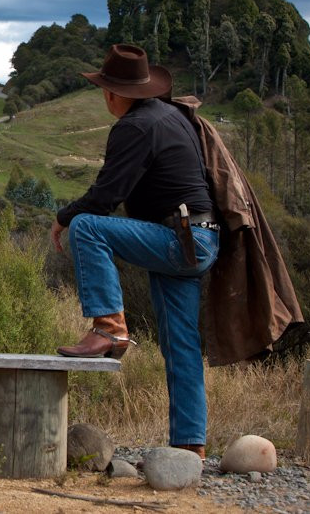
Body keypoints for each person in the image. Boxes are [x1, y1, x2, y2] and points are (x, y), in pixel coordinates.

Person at [51, 44, 220, 459]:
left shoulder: (136, 126)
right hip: (197, 238)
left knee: (87, 227)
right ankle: (189, 446)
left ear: (113, 93)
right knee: (180, 343)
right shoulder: (169, 116)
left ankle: (109, 327)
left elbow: (105, 197)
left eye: (104, 89)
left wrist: (63, 217)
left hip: (182, 239)